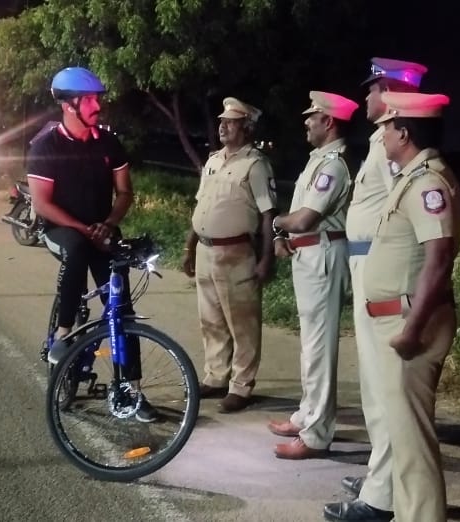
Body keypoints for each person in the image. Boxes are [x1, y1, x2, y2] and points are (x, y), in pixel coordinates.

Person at [324, 57, 428, 522]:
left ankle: (382, 494)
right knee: (373, 382)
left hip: (380, 265)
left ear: (390, 91)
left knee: (384, 385)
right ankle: (379, 474)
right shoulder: (380, 139)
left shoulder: (395, 146)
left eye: (372, 88)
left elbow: (400, 207)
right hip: (367, 262)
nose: (366, 96)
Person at [26, 66, 157, 423]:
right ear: (68, 105)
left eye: (97, 99)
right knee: (77, 250)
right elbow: (42, 204)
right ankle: (63, 334)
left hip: (102, 227)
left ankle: (133, 390)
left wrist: (109, 223)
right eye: (89, 100)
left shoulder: (108, 143)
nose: (97, 106)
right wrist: (83, 228)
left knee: (122, 307)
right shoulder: (45, 146)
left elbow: (124, 192)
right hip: (62, 228)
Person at [362, 91, 460, 522]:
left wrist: (411, 332)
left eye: (387, 127)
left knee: (413, 443)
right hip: (398, 321)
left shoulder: (427, 184)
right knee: (404, 441)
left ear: (404, 133)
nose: (382, 134)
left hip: (410, 326)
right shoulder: (411, 177)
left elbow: (439, 259)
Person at [268, 91, 357, 460]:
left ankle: (317, 434)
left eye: (313, 116)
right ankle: (306, 416)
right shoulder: (319, 160)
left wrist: (275, 222)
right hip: (309, 254)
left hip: (323, 255)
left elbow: (305, 218)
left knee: (319, 349)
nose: (306, 121)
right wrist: (282, 233)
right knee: (310, 346)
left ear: (329, 122)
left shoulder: (334, 166)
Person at [182, 97, 278, 414]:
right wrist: (189, 247)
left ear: (246, 128)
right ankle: (216, 376)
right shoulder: (213, 161)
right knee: (210, 320)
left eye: (231, 122)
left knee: (243, 323)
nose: (223, 126)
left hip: (236, 253)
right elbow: (201, 205)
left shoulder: (256, 165)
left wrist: (266, 258)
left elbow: (267, 214)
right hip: (206, 250)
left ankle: (241, 386)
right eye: (222, 121)